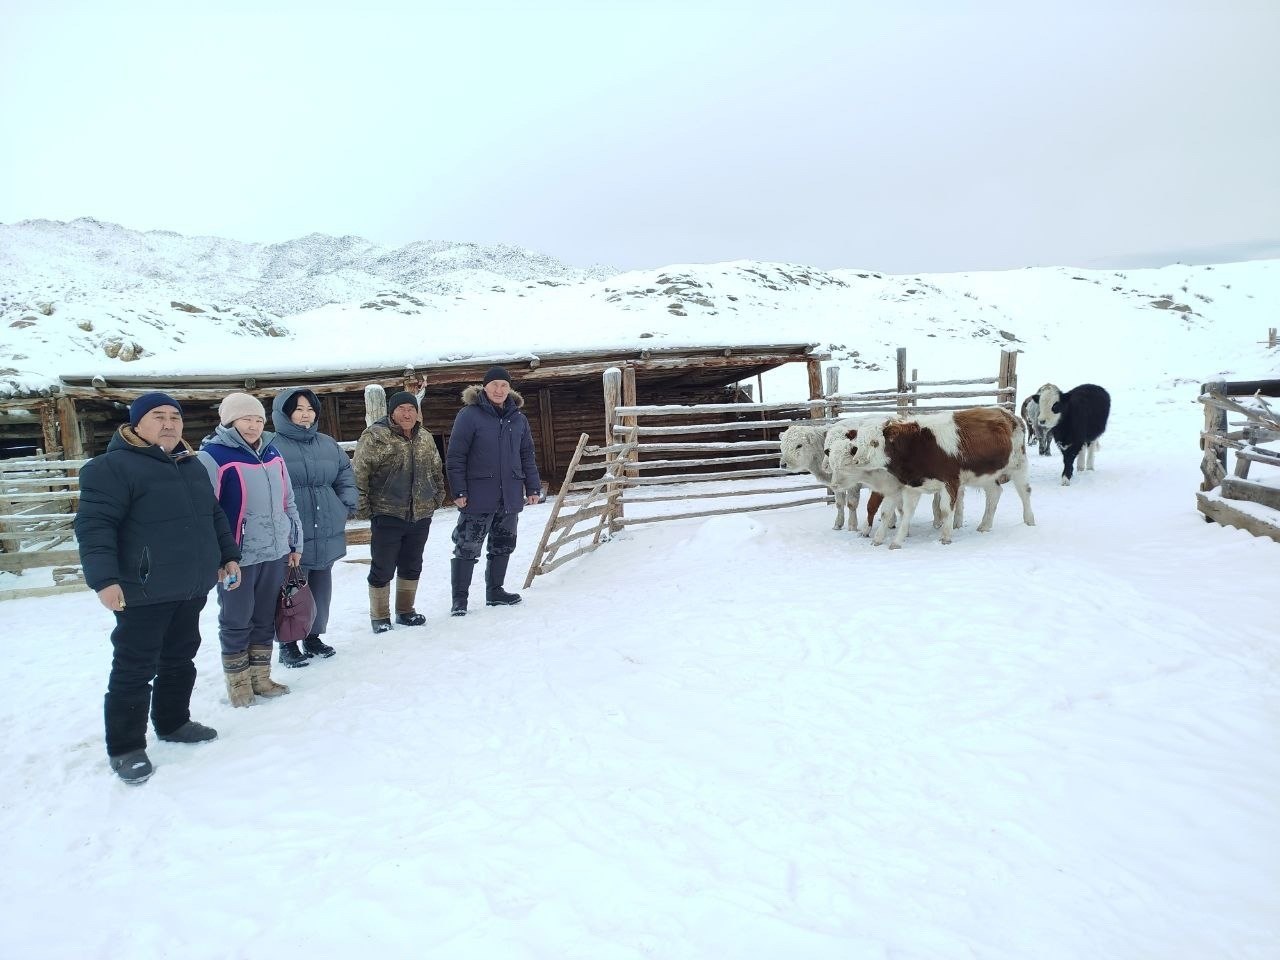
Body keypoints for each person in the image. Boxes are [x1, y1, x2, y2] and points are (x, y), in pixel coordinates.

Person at [76, 392, 242, 785]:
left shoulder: (191, 464)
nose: (169, 424)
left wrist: (227, 555)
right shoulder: (110, 468)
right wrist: (104, 580)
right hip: (142, 589)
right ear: (136, 424)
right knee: (135, 668)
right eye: (157, 416)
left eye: (175, 417)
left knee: (180, 658)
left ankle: (173, 721)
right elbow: (94, 527)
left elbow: (213, 515)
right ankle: (126, 747)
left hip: (190, 585)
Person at [196, 393, 302, 706]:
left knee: (265, 617)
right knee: (236, 619)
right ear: (229, 421)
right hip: (237, 558)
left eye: (258, 420)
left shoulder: (272, 454)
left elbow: (288, 502)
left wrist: (294, 543)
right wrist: (219, 555)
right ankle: (239, 686)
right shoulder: (213, 456)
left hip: (275, 551)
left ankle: (261, 677)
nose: (254, 425)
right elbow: (206, 510)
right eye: (246, 419)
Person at [270, 387, 358, 665]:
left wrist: (345, 505)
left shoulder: (326, 443)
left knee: (321, 585)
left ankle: (313, 636)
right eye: (298, 409)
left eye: (310, 409)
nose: (305, 414)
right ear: (284, 413)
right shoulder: (270, 444)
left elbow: (345, 473)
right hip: (292, 529)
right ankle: (287, 643)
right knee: (291, 587)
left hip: (326, 525)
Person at [445, 366, 541, 616]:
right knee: (467, 546)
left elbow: (527, 455)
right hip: (478, 495)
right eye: (494, 385)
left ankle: (495, 591)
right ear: (484, 387)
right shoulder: (469, 415)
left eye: (504, 385)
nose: (499, 390)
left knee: (503, 544)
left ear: (510, 389)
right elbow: (456, 456)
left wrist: (532, 486)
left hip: (509, 493)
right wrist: (458, 491)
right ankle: (460, 600)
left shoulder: (518, 418)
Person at [352, 390, 448, 633]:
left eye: (411, 409)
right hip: (387, 512)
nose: (407, 413)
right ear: (391, 412)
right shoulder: (375, 436)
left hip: (421, 513)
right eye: (402, 409)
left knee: (412, 563)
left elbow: (437, 468)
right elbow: (359, 472)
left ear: (417, 413)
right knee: (383, 565)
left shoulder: (425, 437)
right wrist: (363, 506)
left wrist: (438, 495)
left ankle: (406, 611)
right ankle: (380, 616)